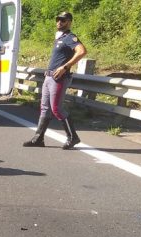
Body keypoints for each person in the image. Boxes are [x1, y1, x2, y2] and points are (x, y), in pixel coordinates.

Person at [23, 11, 87, 150]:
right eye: (58, 19)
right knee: (45, 108)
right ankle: (38, 139)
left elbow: (82, 51)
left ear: (69, 22)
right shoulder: (59, 38)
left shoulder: (70, 37)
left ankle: (73, 137)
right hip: (49, 77)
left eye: (63, 20)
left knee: (56, 109)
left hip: (59, 78)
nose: (59, 22)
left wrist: (65, 67)